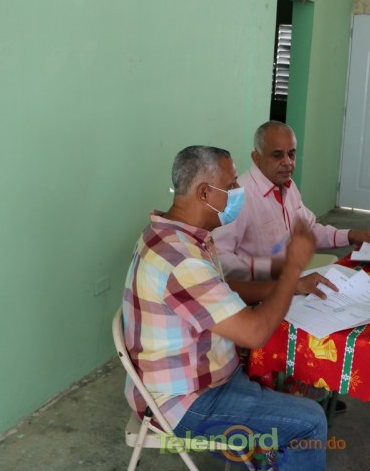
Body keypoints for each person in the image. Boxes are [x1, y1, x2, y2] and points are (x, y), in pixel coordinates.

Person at [121, 145, 329, 469]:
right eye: (231, 186)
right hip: (187, 402)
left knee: (286, 378)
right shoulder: (182, 259)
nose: (237, 192)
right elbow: (254, 332)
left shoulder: (171, 233)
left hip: (195, 380)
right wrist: (291, 270)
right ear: (204, 193)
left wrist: (291, 286)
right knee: (310, 422)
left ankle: (272, 458)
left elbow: (221, 289)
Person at [213, 120, 370, 281]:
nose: (288, 162)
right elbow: (217, 257)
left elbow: (308, 230)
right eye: (277, 155)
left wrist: (351, 235)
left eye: (292, 154)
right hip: (255, 290)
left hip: (288, 280)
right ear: (257, 158)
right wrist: (267, 268)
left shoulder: (288, 186)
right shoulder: (239, 196)